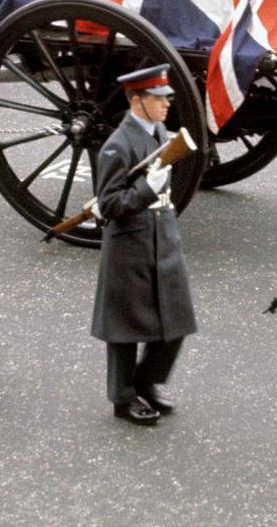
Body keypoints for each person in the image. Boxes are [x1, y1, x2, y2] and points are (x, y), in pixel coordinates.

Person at [91, 64, 197, 427]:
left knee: (176, 318)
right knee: (125, 328)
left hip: (161, 234)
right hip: (131, 241)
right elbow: (109, 205)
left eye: (166, 97)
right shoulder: (116, 146)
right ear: (138, 101)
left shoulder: (160, 132)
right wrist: (146, 189)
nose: (167, 104)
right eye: (159, 98)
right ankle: (123, 397)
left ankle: (146, 382)